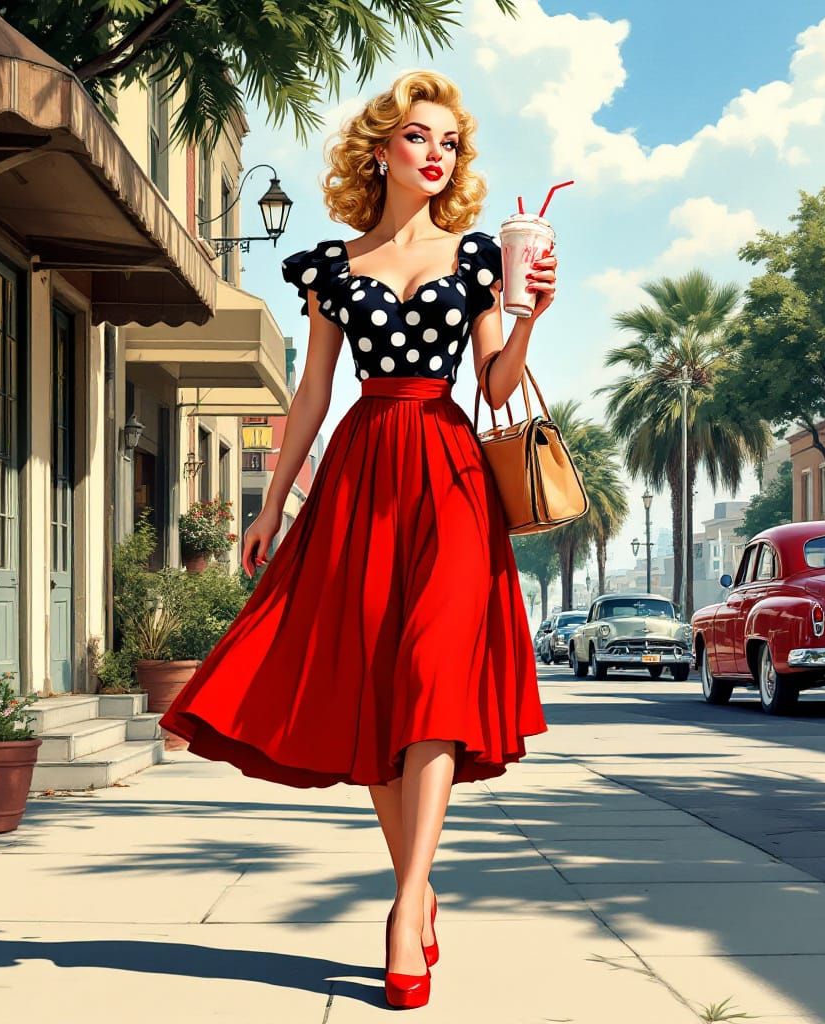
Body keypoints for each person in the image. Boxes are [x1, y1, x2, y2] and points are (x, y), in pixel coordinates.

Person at [159, 68, 556, 1009]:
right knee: (382, 683)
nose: (437, 154)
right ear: (380, 150)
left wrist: (528, 315)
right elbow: (312, 392)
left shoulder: (476, 259)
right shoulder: (330, 267)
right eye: (419, 137)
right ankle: (417, 888)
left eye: (449, 142)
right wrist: (269, 506)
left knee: (432, 675)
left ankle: (405, 903)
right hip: (361, 473)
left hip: (451, 476)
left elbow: (496, 387)